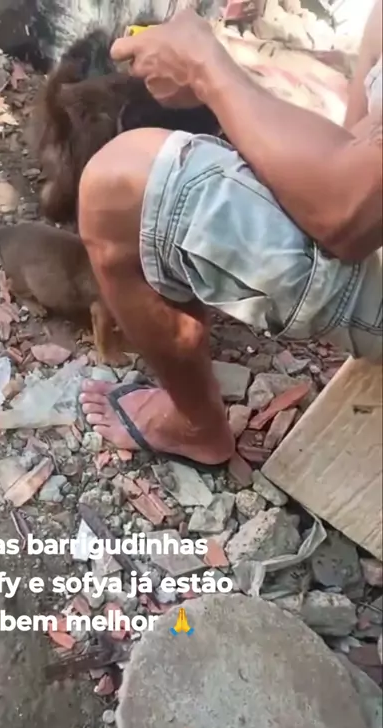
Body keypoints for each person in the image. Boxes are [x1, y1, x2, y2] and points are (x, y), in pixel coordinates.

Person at [78, 6, 382, 469]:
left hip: (358, 226)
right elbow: (351, 141)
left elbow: (347, 217)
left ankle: (195, 426)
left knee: (119, 186)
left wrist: (205, 67)